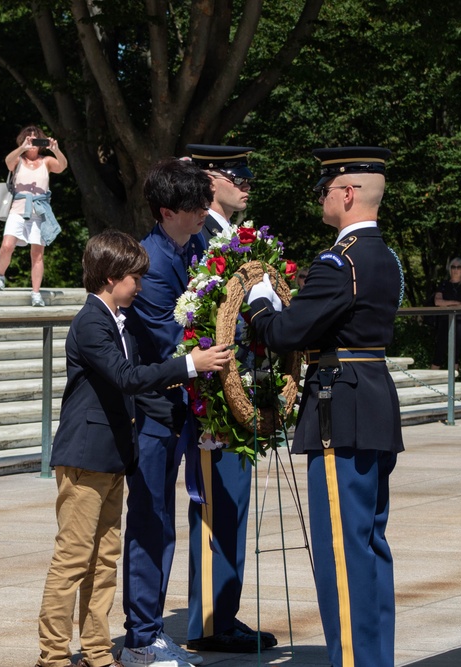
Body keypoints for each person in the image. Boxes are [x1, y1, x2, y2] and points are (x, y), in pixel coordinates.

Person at [35, 230, 233, 667]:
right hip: (84, 456)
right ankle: (51, 655)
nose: (140, 287)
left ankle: (98, 650)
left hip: (109, 456)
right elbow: (124, 377)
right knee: (73, 558)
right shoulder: (91, 321)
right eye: (134, 279)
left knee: (104, 559)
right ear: (109, 277)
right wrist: (188, 364)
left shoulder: (116, 321)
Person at [246, 146, 404, 667]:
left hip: (342, 403)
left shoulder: (341, 260)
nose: (321, 198)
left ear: (348, 194)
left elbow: (290, 331)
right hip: (374, 396)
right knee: (370, 545)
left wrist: (263, 304)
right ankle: (374, 657)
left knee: (343, 550)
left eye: (326, 190)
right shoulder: (386, 257)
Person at [121, 158, 212, 667]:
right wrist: (228, 343)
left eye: (204, 202)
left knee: (167, 523)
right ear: (164, 211)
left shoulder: (196, 246)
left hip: (185, 405)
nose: (203, 212)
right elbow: (169, 340)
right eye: (193, 206)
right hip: (154, 410)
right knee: (150, 520)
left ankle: (151, 627)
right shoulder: (149, 262)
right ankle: (141, 634)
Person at [184, 144, 272, 653]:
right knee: (217, 505)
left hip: (240, 385)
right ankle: (211, 623)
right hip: (213, 395)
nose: (245, 184)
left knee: (232, 506)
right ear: (211, 179)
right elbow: (197, 317)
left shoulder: (232, 238)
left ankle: (223, 613)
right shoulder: (201, 241)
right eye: (236, 175)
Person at [0, 125, 67, 307]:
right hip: (18, 209)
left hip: (39, 211)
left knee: (37, 254)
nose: (33, 143)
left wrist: (56, 150)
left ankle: (36, 293)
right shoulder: (18, 159)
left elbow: (62, 167)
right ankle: (0, 275)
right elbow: (7, 161)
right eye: (29, 139)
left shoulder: (47, 161)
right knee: (7, 245)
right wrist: (22, 148)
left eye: (36, 139)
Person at [187, 144, 254, 243]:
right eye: (238, 180)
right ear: (210, 183)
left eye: (247, 180)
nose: (247, 187)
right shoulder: (196, 233)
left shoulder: (229, 230)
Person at [429, 257, 461, 370]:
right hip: (444, 320)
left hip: (459, 321)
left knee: (456, 353)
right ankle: (431, 381)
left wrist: (447, 304)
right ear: (449, 269)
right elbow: (438, 302)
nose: (456, 270)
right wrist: (456, 302)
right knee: (439, 350)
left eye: (458, 267)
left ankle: (453, 384)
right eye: (453, 267)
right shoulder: (443, 284)